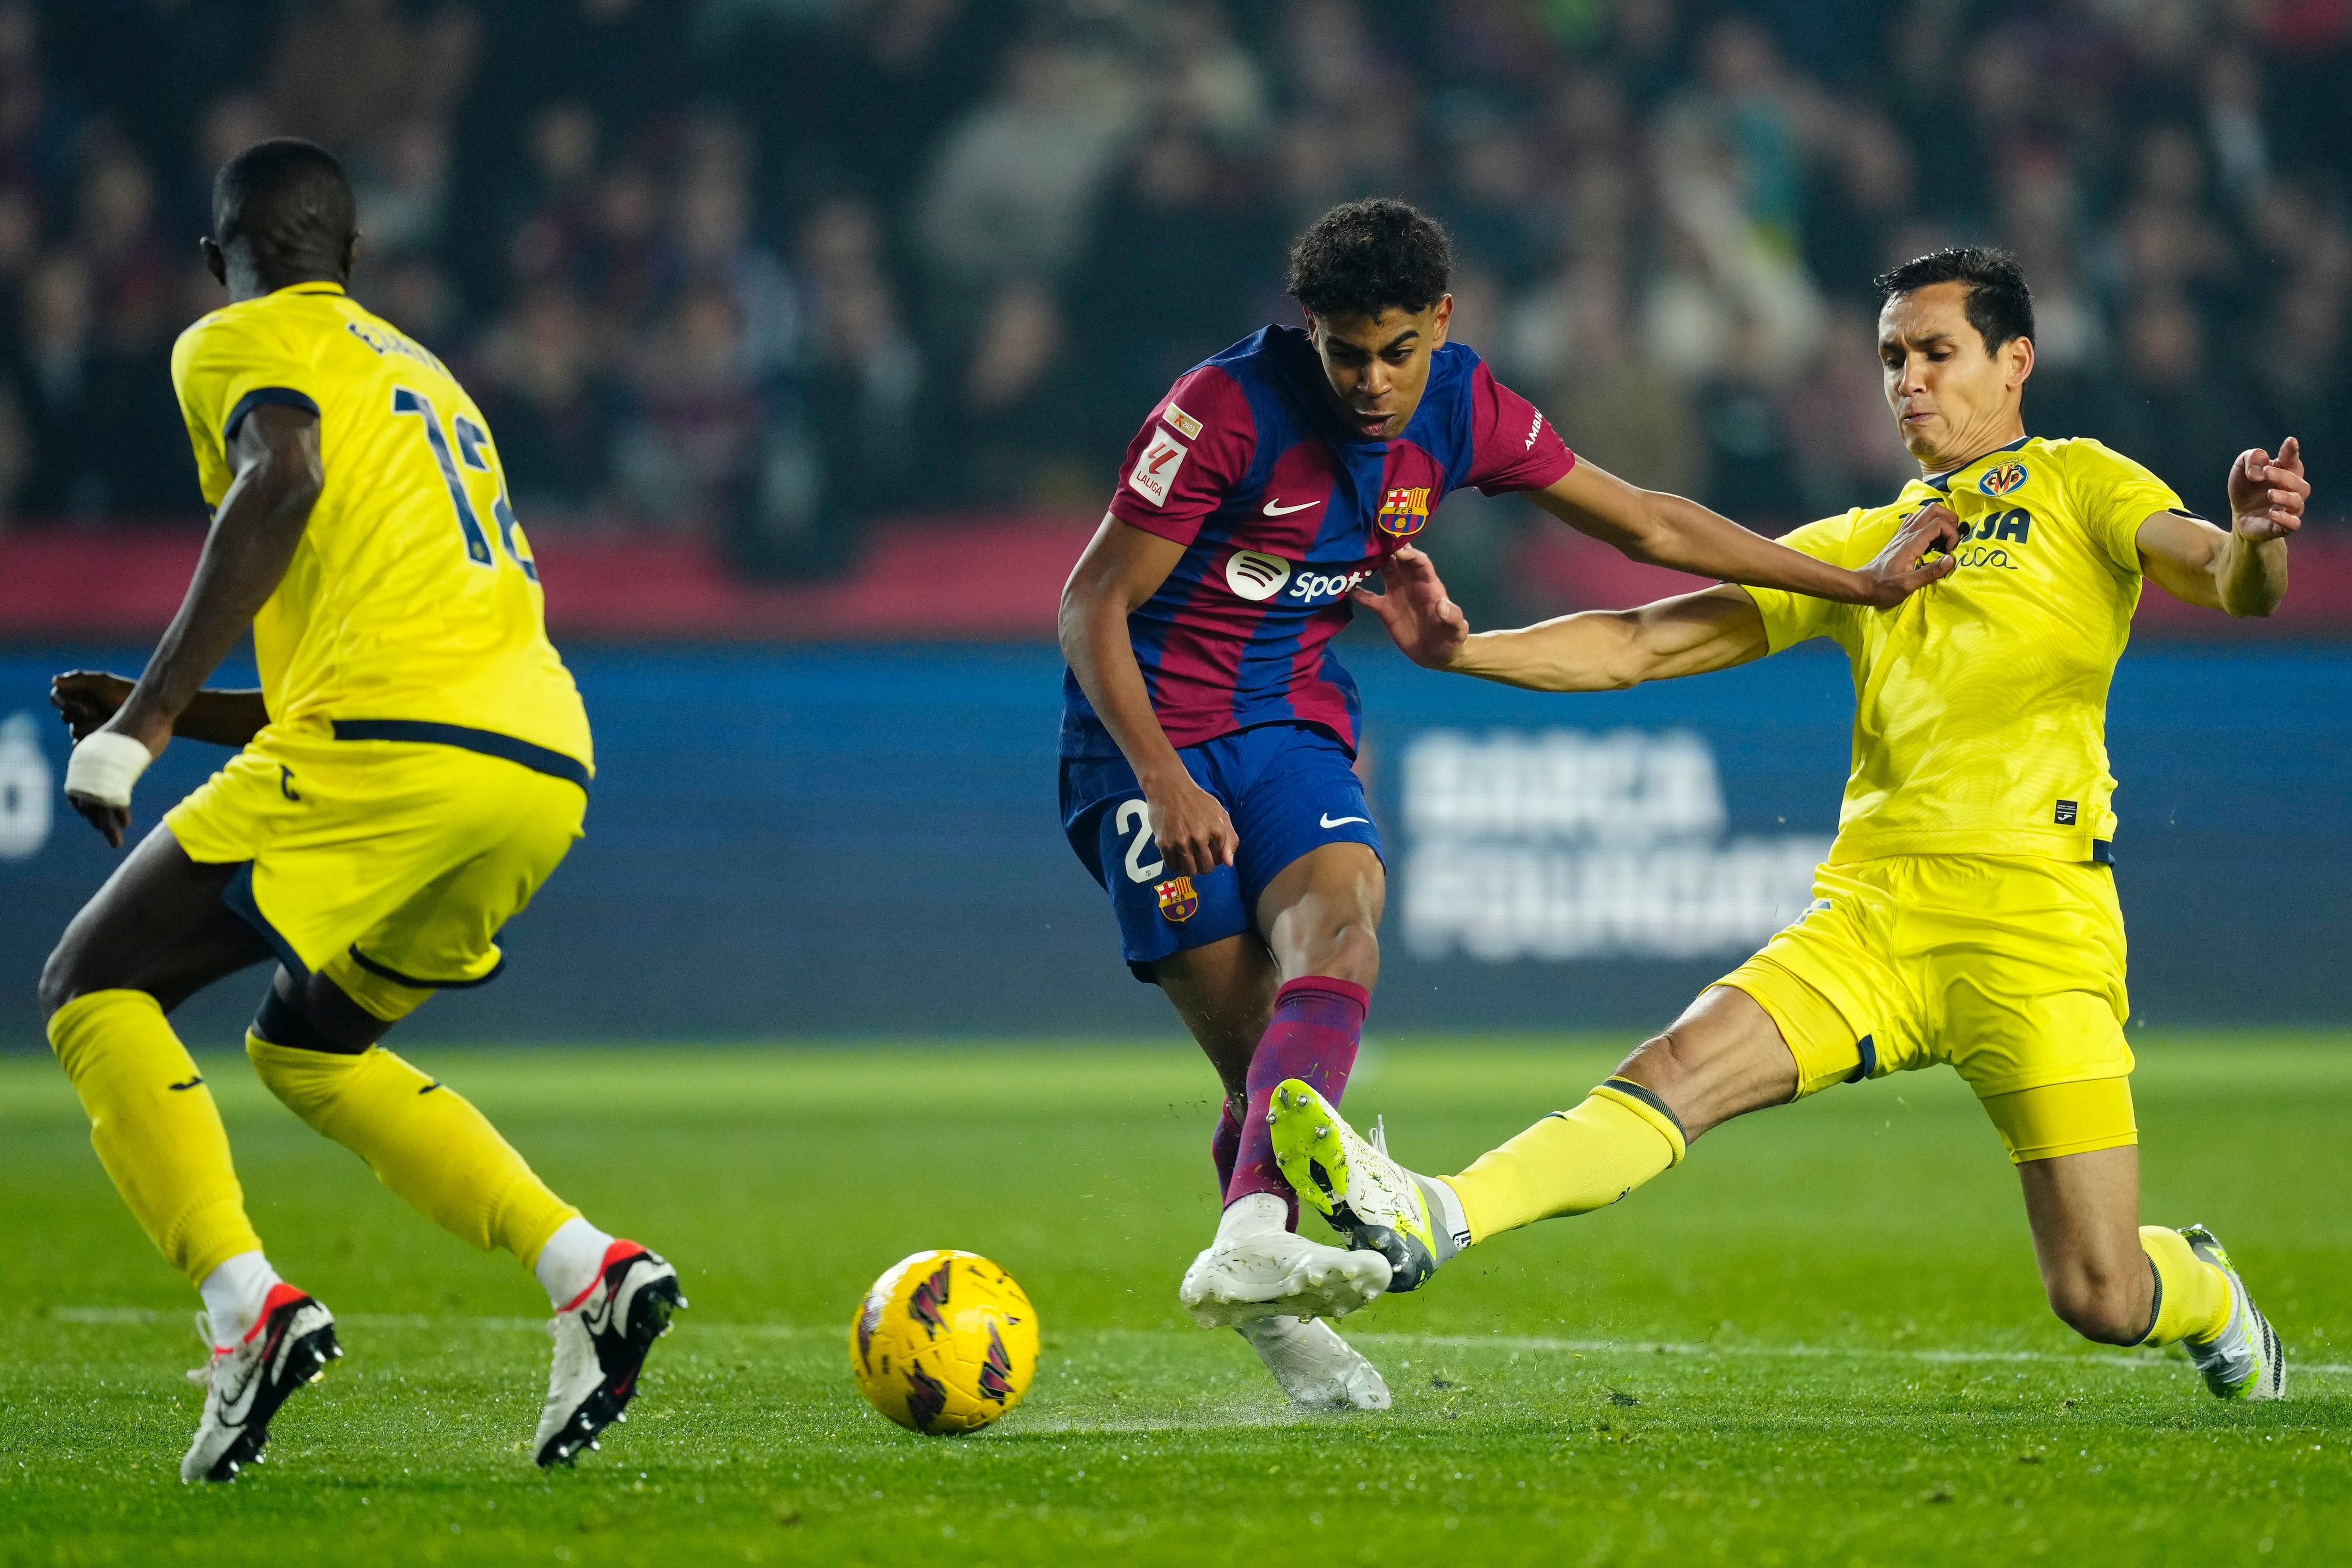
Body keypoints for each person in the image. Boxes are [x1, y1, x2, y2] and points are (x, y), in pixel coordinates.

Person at [1263, 247, 2304, 1404]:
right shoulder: (1859, 543)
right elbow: (1644, 640)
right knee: (1673, 1070)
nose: (1907, 379)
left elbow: (2222, 579)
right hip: (1871, 914)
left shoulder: (2079, 482)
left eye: (1935, 353)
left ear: (2015, 361)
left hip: (2037, 924)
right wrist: (1463, 651)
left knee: (2102, 1295)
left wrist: (2258, 537)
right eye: (1891, 358)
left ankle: (2205, 1291)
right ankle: (1434, 1213)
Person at [1055, 198, 1955, 1409]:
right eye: (1345, 353)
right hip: (1146, 742)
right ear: (1307, 331)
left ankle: (1251, 1241)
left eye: (1396, 351)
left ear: (1440, 322)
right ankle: (1270, 1290)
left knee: (1345, 927)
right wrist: (1161, 774)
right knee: (1261, 1061)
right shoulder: (1220, 412)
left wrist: (1853, 580)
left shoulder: (1462, 405)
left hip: (1291, 723)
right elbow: (1090, 603)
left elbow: (1645, 520)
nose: (1372, 383)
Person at [40, 138, 683, 1484]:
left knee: (92, 979)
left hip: (391, 739)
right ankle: (590, 1271)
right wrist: (174, 704)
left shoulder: (233, 340)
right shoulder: (429, 376)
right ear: (357, 259)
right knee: (312, 1046)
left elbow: (278, 479)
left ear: (224, 261)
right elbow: (357, 650)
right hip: (538, 757)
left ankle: (247, 1308)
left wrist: (146, 724)